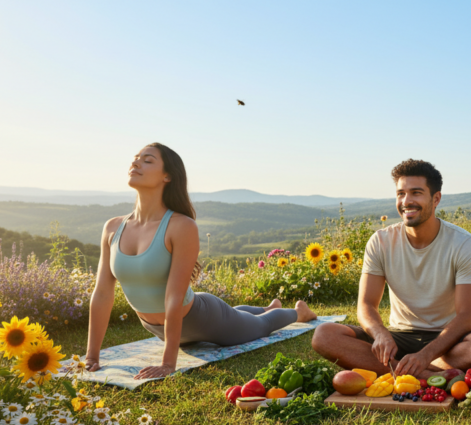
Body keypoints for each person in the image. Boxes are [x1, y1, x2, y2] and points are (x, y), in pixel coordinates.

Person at [84, 143, 318, 380]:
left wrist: (168, 363)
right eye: (135, 158)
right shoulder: (113, 227)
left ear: (168, 176)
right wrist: (91, 357)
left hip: (201, 319)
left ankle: (298, 312)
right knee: (239, 317)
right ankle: (268, 306)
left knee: (258, 327)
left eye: (148, 160)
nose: (135, 163)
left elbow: (173, 297)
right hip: (158, 328)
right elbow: (102, 293)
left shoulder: (181, 226)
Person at [311, 159, 471, 378]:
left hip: (446, 342)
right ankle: (428, 375)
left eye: (416, 193)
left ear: (436, 198)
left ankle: (403, 369)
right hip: (398, 337)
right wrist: (381, 334)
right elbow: (366, 305)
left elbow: (467, 317)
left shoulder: (463, 244)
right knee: (324, 335)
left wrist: (425, 355)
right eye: (400, 193)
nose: (406, 201)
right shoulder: (381, 241)